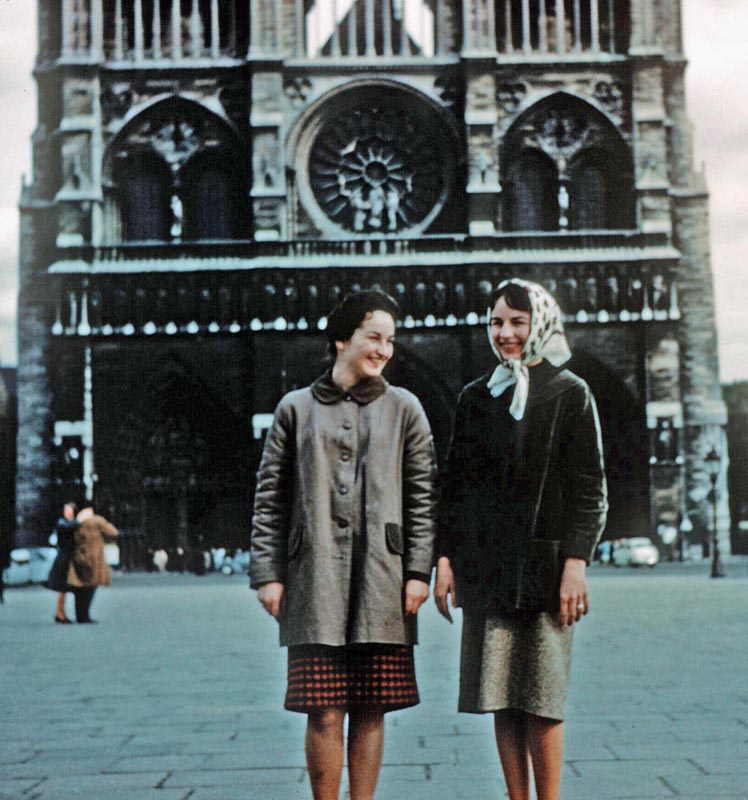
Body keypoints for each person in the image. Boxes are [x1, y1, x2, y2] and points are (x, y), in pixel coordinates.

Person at [250, 289, 436, 800]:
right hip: (314, 579)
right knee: (324, 708)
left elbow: (423, 498)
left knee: (372, 708)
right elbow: (270, 498)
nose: (384, 349)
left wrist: (418, 572)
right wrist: (268, 575)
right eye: (373, 336)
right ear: (340, 338)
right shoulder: (294, 409)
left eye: (390, 340)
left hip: (385, 578)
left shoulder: (407, 410)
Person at [434, 278, 607, 800]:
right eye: (495, 322)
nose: (504, 333)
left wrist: (576, 561)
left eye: (516, 321)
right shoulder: (476, 397)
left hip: (547, 569)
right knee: (503, 697)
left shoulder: (570, 392)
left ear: (540, 324)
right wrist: (445, 558)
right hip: (486, 567)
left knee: (542, 697)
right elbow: (456, 486)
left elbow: (590, 487)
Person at [67, 502, 118, 624]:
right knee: (91, 587)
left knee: (80, 588)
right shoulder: (97, 521)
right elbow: (113, 532)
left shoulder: (77, 522)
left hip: (79, 556)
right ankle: (85, 616)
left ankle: (80, 615)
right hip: (94, 558)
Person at [45, 501, 79, 623]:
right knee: (62, 587)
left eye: (69, 510)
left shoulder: (68, 524)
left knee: (63, 588)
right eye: (66, 510)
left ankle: (60, 612)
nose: (67, 513)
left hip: (67, 556)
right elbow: (69, 529)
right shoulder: (63, 524)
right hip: (64, 558)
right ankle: (60, 613)